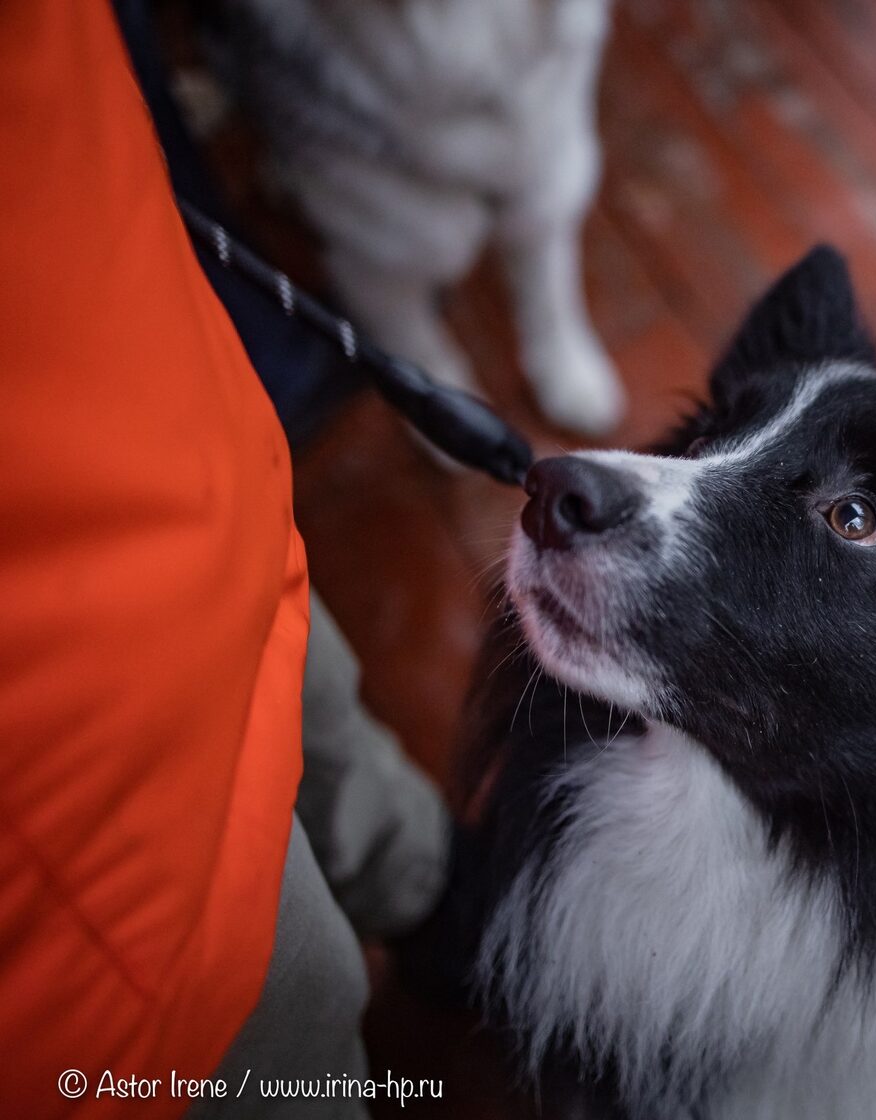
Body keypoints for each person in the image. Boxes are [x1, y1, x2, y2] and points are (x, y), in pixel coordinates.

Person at [0, 4, 448, 1116]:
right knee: (295, 1037)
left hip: (200, 460)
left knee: (327, 721)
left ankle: (434, 895)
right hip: (101, 887)